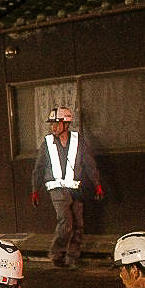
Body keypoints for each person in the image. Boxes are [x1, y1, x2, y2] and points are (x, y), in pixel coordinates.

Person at [30, 106, 104, 268]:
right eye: (52, 124)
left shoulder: (78, 140)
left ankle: (72, 257)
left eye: (57, 123)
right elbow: (39, 167)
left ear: (66, 124)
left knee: (78, 224)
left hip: (76, 189)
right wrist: (35, 189)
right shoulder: (47, 142)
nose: (53, 127)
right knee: (66, 222)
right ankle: (56, 253)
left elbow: (89, 163)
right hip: (57, 189)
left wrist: (97, 183)